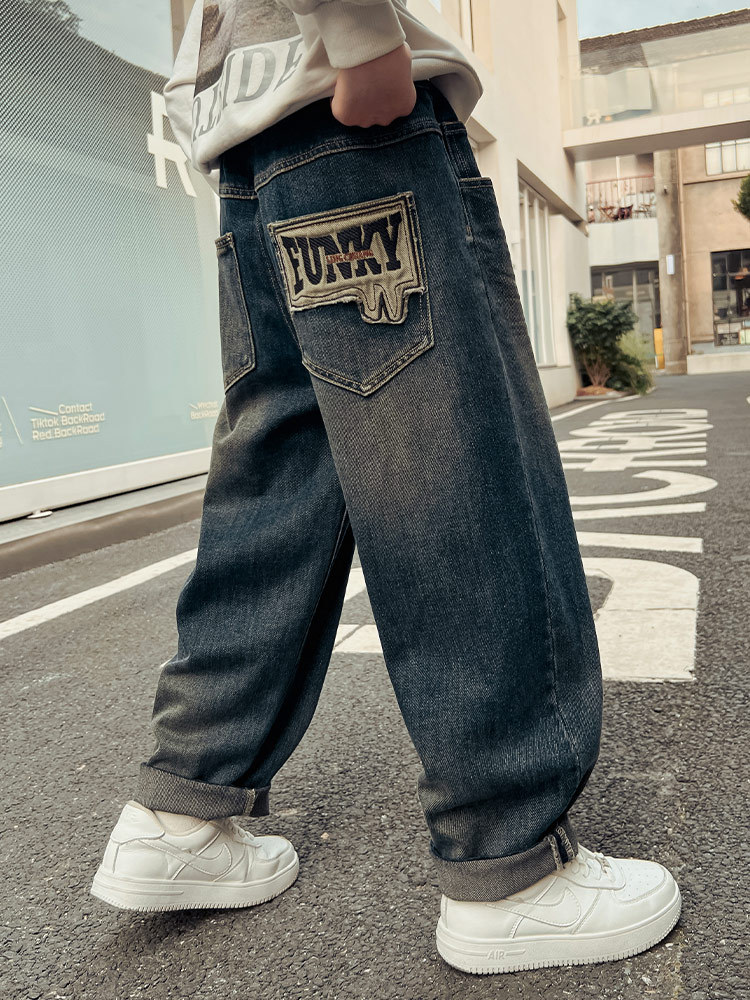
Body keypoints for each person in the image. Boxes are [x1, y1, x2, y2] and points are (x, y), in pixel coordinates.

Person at [90, 0, 681, 975]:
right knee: (449, 470)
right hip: (345, 105)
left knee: (282, 482)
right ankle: (508, 859)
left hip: (250, 137)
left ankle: (181, 811)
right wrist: (363, 36)